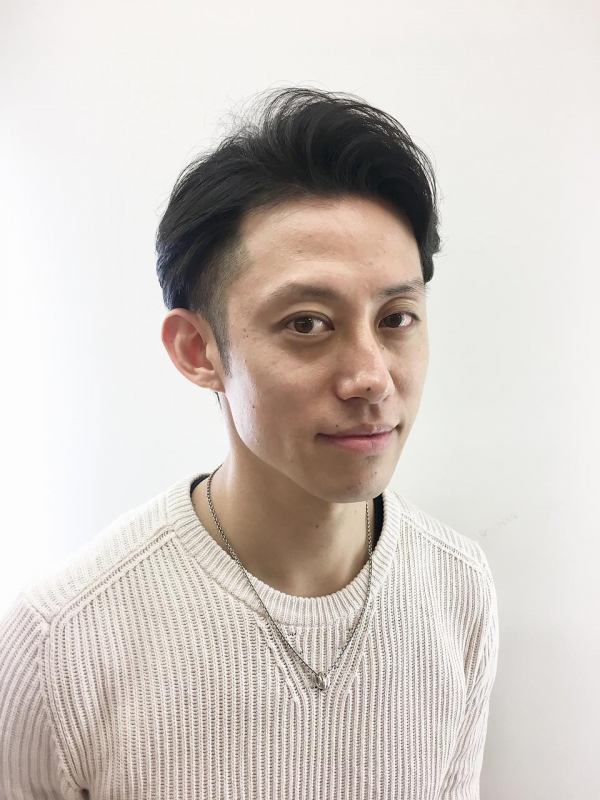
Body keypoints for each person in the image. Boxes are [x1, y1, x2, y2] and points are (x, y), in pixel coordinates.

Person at [0, 87, 499, 799]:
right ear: (197, 350)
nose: (370, 377)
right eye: (307, 323)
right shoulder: (62, 642)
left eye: (396, 318)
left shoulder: (458, 589)